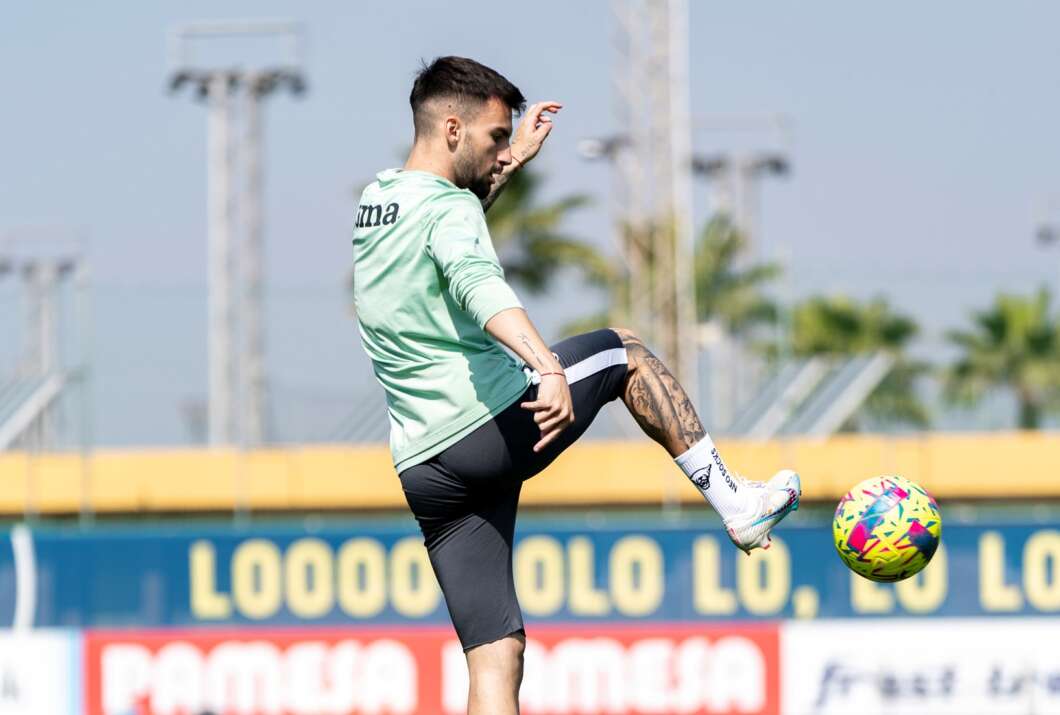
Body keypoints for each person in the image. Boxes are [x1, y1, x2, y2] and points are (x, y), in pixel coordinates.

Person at [352, 55, 801, 715]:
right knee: (626, 352)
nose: (501, 150)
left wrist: (511, 160)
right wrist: (547, 365)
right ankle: (737, 502)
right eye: (494, 138)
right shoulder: (449, 210)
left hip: (426, 466)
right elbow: (478, 284)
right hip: (487, 426)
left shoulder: (381, 201)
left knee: (495, 652)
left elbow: (446, 225)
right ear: (452, 129)